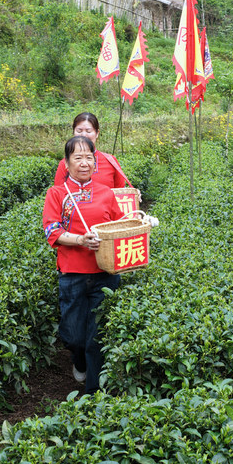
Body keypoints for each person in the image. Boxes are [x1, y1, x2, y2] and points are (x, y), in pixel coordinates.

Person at [44, 134, 127, 392]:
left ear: (95, 163)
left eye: (88, 157)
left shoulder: (105, 193)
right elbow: (52, 232)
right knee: (73, 336)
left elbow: (120, 226)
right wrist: (81, 240)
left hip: (104, 274)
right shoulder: (57, 193)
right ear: (66, 164)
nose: (83, 163)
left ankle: (93, 395)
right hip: (72, 275)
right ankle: (77, 360)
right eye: (77, 158)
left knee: (96, 339)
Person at [53, 112, 133, 190]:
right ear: (73, 132)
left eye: (88, 131)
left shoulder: (110, 161)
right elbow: (58, 195)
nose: (84, 135)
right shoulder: (65, 163)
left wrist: (133, 195)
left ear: (97, 133)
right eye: (79, 131)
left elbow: (121, 193)